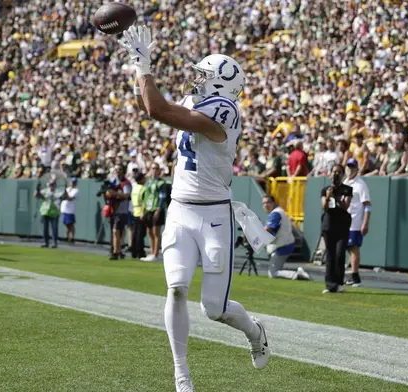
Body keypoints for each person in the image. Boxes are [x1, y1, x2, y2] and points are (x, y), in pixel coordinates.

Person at [120, 25, 269, 392]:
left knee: (214, 308)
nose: (196, 80)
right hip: (181, 210)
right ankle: (181, 373)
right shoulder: (197, 101)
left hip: (214, 215)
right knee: (176, 288)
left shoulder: (225, 111)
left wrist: (143, 65)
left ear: (221, 84)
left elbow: (157, 110)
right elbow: (154, 104)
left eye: (204, 76)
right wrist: (140, 70)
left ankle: (254, 331)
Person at [320, 164, 353, 293]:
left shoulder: (347, 189)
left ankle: (339, 282)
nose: (336, 175)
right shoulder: (325, 189)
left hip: (342, 224)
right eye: (334, 172)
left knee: (340, 254)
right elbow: (324, 206)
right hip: (329, 224)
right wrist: (328, 196)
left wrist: (337, 197)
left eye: (339, 172)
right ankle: (329, 284)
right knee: (330, 255)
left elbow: (345, 206)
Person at [262, 195, 309, 280]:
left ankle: (296, 275)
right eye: (264, 203)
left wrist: (256, 235)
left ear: (273, 203)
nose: (265, 205)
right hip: (284, 243)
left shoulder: (276, 213)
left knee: (272, 273)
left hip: (283, 245)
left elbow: (268, 229)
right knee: (276, 269)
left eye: (268, 202)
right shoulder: (277, 212)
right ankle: (298, 272)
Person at [343, 158, 371, 287]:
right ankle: (351, 274)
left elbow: (367, 205)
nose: (350, 170)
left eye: (352, 167)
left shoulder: (360, 184)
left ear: (357, 169)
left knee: (354, 248)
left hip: (355, 221)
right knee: (348, 248)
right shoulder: (345, 182)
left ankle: (355, 276)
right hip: (345, 221)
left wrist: (365, 223)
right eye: (348, 167)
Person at [141, 164, 168, 262]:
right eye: (152, 168)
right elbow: (145, 197)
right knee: (149, 231)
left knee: (156, 231)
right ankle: (152, 252)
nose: (154, 170)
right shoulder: (148, 182)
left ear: (159, 170)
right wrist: (142, 210)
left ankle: (156, 254)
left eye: (156, 168)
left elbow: (162, 197)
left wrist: (159, 209)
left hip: (156, 209)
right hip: (148, 209)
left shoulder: (161, 183)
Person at [107, 166, 131, 260]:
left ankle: (116, 252)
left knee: (116, 231)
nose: (117, 171)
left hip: (121, 210)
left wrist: (114, 194)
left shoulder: (126, 183)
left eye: (119, 169)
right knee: (116, 231)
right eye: (116, 170)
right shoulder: (113, 181)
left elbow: (126, 195)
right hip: (113, 209)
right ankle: (118, 250)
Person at [35, 179, 64, 249]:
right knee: (45, 229)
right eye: (51, 185)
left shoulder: (58, 192)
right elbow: (36, 196)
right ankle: (46, 242)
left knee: (54, 229)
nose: (52, 186)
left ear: (55, 185)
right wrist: (37, 190)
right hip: (45, 211)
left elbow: (62, 197)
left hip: (54, 212)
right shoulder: (45, 191)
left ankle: (54, 243)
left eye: (53, 184)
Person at [130, 172, 148, 259]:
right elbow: (144, 202)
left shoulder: (134, 188)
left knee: (134, 233)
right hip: (141, 212)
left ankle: (133, 251)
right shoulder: (143, 188)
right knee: (140, 234)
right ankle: (140, 252)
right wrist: (143, 213)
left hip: (134, 211)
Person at [60, 178, 79, 244]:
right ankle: (66, 236)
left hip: (70, 210)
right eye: (72, 182)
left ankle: (72, 237)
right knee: (66, 224)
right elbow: (63, 197)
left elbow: (69, 198)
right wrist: (65, 191)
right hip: (64, 209)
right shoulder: (68, 189)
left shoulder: (76, 190)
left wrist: (65, 192)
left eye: (74, 182)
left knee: (71, 224)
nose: (73, 183)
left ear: (76, 183)